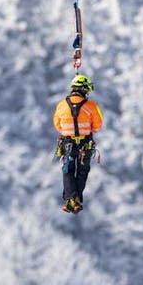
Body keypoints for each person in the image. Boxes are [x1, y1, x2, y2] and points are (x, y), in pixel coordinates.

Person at [53, 74, 103, 214]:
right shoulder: (91, 106)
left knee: (68, 170)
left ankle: (70, 199)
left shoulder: (61, 105)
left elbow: (57, 125)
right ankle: (77, 199)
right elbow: (98, 126)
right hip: (84, 144)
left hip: (67, 143)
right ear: (83, 89)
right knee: (82, 171)